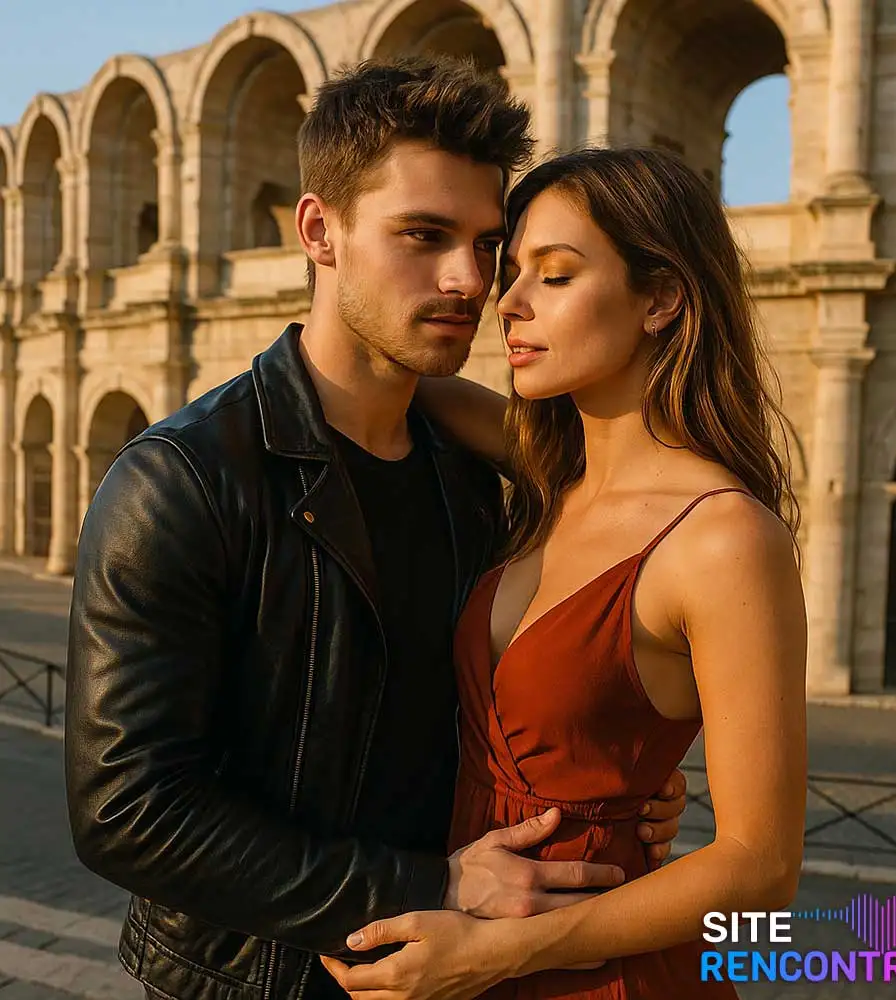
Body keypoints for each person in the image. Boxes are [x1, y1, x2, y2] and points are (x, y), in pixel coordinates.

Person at [63, 58, 685, 1000]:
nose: (466, 279)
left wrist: (605, 781)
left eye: (487, 245)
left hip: (466, 968)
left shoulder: (479, 478)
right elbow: (126, 809)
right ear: (320, 232)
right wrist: (432, 884)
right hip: (261, 978)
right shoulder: (184, 478)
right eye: (423, 235)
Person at [320, 147, 808, 999]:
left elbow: (761, 870)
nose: (505, 301)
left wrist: (499, 954)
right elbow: (380, 359)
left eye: (555, 275)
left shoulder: (723, 538)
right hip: (463, 932)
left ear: (661, 299)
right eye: (512, 271)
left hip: (591, 972)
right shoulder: (545, 472)